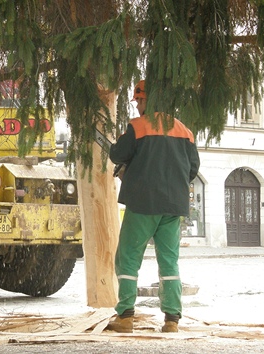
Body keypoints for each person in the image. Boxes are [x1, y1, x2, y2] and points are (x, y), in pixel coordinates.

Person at [106, 80, 200, 333]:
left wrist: (136, 172)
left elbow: (117, 154)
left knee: (128, 258)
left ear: (148, 100)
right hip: (173, 206)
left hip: (143, 202)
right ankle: (172, 320)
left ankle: (125, 316)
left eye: (139, 101)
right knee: (169, 262)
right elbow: (192, 169)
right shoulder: (184, 130)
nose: (137, 106)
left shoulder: (138, 127)